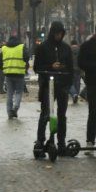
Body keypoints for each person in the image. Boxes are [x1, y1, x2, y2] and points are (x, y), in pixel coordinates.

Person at [33, 21, 74, 157]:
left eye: (61, 34)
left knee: (62, 115)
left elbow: (70, 67)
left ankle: (61, 142)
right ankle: (41, 140)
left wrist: (67, 81)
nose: (58, 36)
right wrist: (51, 67)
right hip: (48, 85)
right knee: (46, 114)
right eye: (56, 34)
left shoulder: (66, 48)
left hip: (62, 85)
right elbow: (37, 67)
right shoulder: (43, 47)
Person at [0, 35, 31, 118]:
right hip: (19, 73)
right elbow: (27, 58)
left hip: (8, 74)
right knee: (18, 92)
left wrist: (3, 68)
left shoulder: (4, 48)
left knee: (9, 93)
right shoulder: (21, 47)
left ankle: (9, 112)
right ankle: (15, 108)